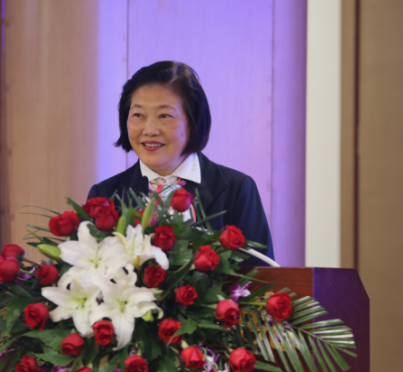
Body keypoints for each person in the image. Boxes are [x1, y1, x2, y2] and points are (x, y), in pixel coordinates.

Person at [87, 61, 274, 266]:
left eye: (164, 116)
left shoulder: (236, 190)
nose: (149, 130)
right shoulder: (105, 195)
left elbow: (262, 278)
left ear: (193, 122)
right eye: (138, 115)